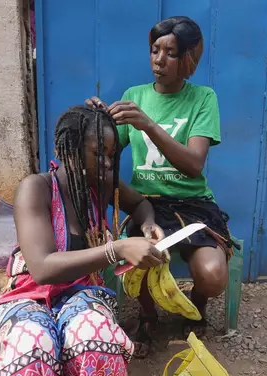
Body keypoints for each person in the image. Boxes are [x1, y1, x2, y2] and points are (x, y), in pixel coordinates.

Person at [0, 106, 166, 376]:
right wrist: (117, 249)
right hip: (28, 296)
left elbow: (141, 204)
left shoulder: (101, 185)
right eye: (99, 154)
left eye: (112, 155)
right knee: (31, 345)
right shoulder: (36, 188)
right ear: (69, 151)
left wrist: (147, 226)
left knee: (97, 342)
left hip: (81, 294)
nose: (108, 164)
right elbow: (43, 268)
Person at [86, 16, 234, 358]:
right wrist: (96, 119)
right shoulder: (134, 96)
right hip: (146, 204)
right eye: (155, 50)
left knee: (212, 276)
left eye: (170, 52)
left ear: (188, 59)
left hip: (193, 204)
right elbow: (107, 147)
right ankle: (148, 316)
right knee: (137, 259)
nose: (159, 59)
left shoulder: (203, 98)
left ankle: (196, 308)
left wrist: (149, 125)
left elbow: (194, 163)